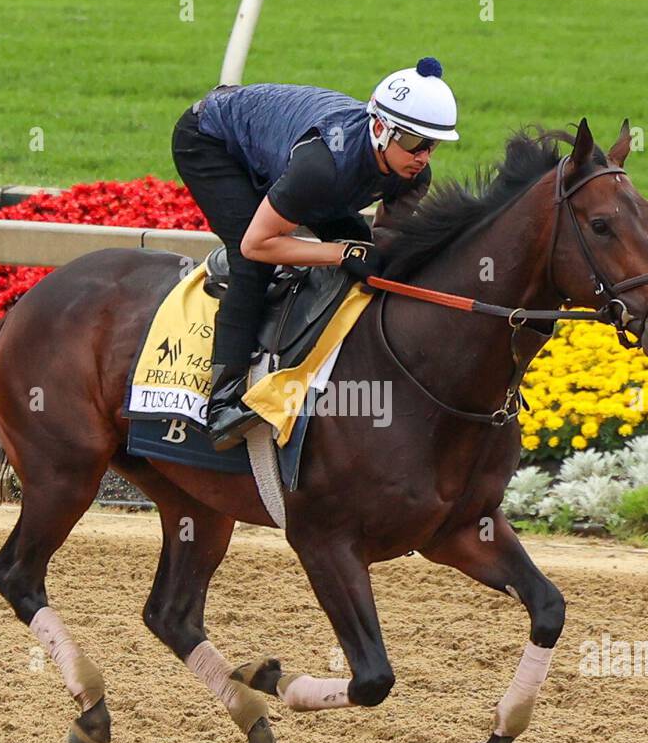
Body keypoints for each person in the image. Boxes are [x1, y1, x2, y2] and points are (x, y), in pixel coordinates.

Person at [170, 57, 458, 450]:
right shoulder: (321, 169)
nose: (423, 156)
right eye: (412, 142)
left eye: (433, 144)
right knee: (252, 264)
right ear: (379, 128)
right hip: (211, 142)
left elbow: (384, 244)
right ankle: (221, 403)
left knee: (366, 256)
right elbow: (257, 244)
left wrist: (365, 254)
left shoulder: (412, 176)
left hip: (289, 152)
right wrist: (339, 254)